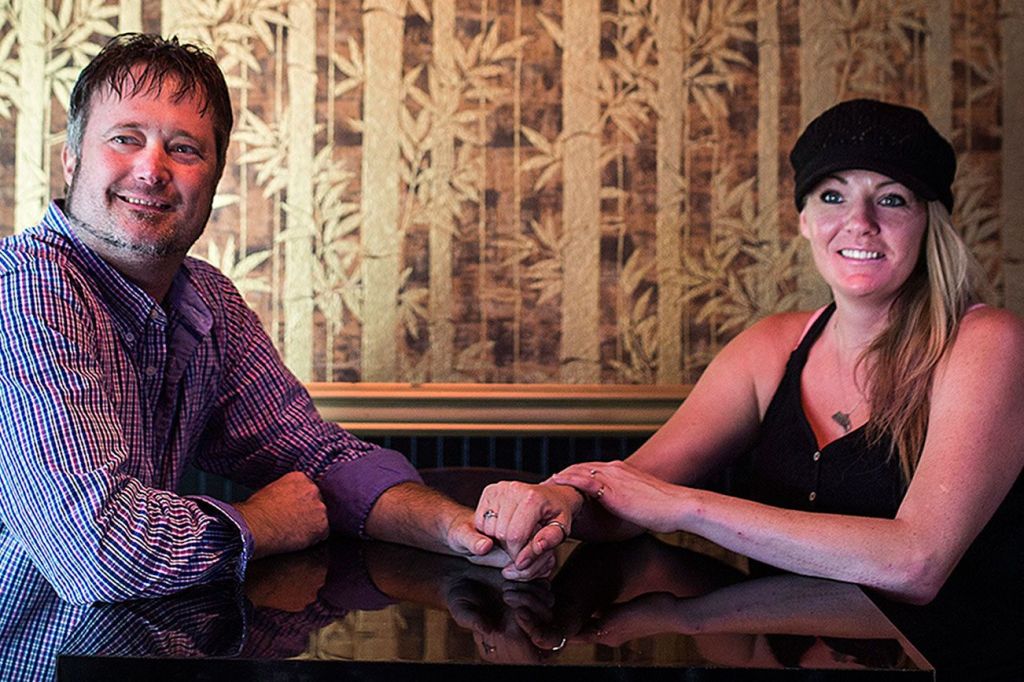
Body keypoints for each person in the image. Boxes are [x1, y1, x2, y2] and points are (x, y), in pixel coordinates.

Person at [0, 33, 549, 606]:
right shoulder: (24, 286)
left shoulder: (207, 301)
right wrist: (259, 521)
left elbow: (320, 459)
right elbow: (97, 556)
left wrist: (461, 532)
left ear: (214, 179)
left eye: (184, 149)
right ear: (71, 158)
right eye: (125, 138)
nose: (151, 169)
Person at [476, 98, 1024, 606]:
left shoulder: (987, 342)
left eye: (892, 199)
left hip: (942, 660)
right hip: (782, 655)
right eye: (833, 196)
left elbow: (915, 564)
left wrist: (689, 508)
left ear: (930, 222)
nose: (860, 222)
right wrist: (557, 503)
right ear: (805, 220)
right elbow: (632, 490)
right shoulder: (771, 347)